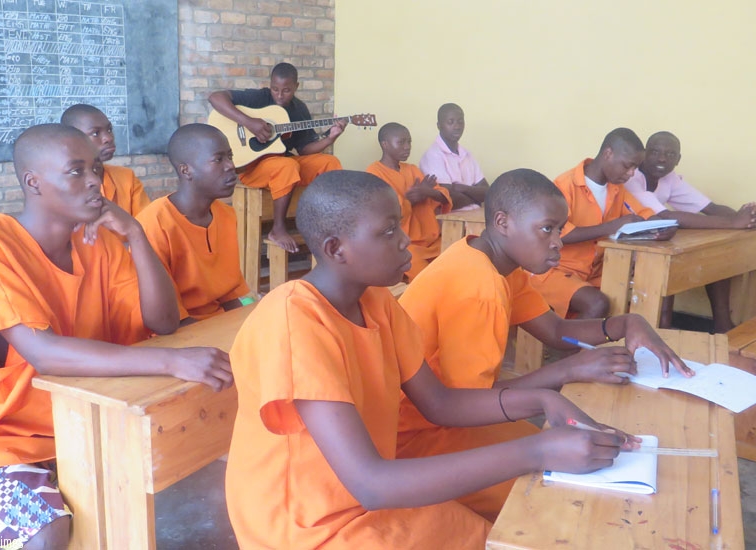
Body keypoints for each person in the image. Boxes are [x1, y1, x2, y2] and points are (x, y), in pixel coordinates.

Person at [225, 170, 639, 549]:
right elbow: (372, 484)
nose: (406, 240)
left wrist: (544, 402)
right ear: (337, 249)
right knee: (522, 513)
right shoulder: (294, 321)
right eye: (389, 232)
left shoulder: (377, 302)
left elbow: (441, 403)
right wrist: (539, 449)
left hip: (365, 501)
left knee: (502, 532)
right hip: (307, 526)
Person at [0, 124, 232, 550]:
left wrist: (136, 234)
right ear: (33, 182)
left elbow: (164, 321)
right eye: (76, 171)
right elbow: (45, 355)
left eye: (96, 169)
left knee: (183, 470)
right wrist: (173, 361)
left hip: (82, 418)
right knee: (43, 532)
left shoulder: (96, 242)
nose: (95, 181)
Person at [397, 168, 692, 520]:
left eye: (561, 230)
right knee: (554, 499)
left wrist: (626, 323)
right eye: (547, 229)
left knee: (583, 455)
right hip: (415, 437)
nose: (558, 242)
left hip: (447, 417)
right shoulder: (480, 286)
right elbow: (466, 404)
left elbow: (554, 330)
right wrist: (569, 369)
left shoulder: (494, 260)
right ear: (503, 222)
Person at [625, 131, 756, 332]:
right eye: (655, 151)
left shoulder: (669, 178)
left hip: (654, 243)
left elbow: (710, 207)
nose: (662, 158)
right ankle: (661, 329)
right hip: (622, 247)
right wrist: (735, 222)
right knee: (673, 260)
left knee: (715, 255)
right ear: (644, 153)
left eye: (670, 154)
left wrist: (746, 215)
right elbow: (668, 218)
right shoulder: (631, 178)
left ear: (678, 159)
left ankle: (722, 325)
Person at [529, 128, 674, 318]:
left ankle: (588, 345)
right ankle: (572, 347)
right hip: (555, 270)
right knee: (598, 303)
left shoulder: (616, 189)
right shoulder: (565, 186)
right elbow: (559, 234)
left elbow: (642, 212)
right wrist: (613, 226)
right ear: (608, 154)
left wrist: (663, 227)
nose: (631, 174)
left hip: (596, 272)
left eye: (635, 169)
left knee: (637, 300)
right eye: (627, 166)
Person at [208, 62, 344, 253]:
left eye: (286, 90)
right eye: (275, 89)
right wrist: (249, 122)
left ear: (296, 87)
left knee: (330, 162)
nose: (279, 95)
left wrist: (330, 137)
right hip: (253, 167)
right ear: (270, 85)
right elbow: (215, 98)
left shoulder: (299, 109)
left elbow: (305, 149)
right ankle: (278, 229)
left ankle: (328, 224)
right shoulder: (259, 97)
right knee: (287, 166)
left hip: (282, 164)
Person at [137, 123, 251, 324]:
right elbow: (165, 319)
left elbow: (230, 295)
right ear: (186, 170)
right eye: (218, 159)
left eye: (230, 156)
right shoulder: (154, 223)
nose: (230, 166)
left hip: (215, 324)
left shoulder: (226, 215)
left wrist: (244, 327)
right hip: (174, 332)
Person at [367, 122, 451, 281]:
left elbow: (443, 194)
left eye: (409, 142)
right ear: (385, 144)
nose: (407, 147)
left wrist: (428, 192)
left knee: (457, 258)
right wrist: (412, 199)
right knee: (430, 280)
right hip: (402, 244)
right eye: (401, 142)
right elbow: (386, 210)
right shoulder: (374, 172)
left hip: (432, 241)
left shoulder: (411, 169)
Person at [60, 103, 151, 216]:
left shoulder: (126, 178)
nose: (108, 138)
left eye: (109, 130)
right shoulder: (60, 185)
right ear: (71, 140)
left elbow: (146, 228)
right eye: (95, 133)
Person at [419, 103, 488, 211]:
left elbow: (487, 191)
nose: (457, 126)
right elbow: (448, 198)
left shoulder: (467, 155)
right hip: (450, 222)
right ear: (439, 125)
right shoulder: (433, 155)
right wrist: (476, 198)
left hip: (475, 218)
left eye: (460, 121)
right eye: (450, 122)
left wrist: (463, 188)